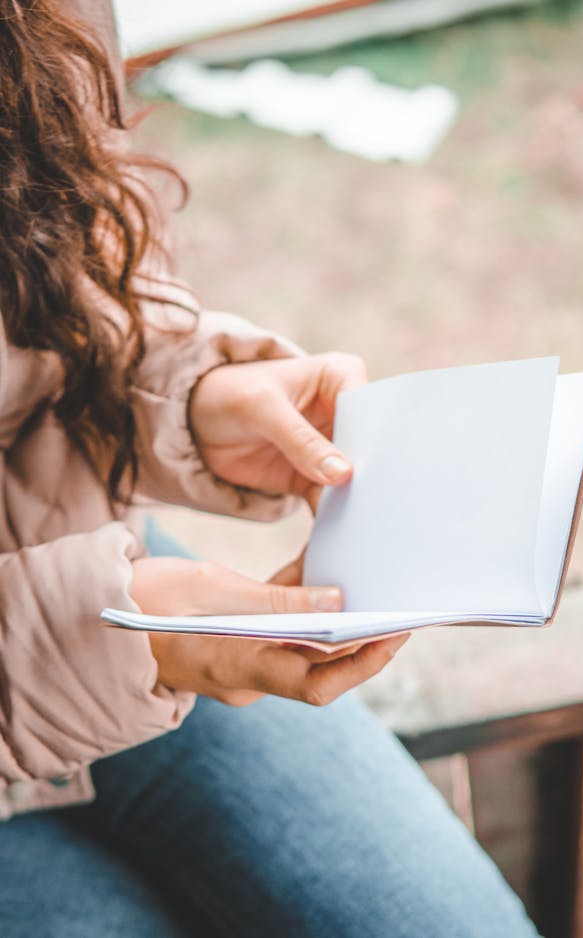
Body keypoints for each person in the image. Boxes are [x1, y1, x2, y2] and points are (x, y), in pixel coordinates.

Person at [0, 2, 542, 936]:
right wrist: (122, 637)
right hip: (102, 629)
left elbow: (52, 274)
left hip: (100, 587)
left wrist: (184, 394)